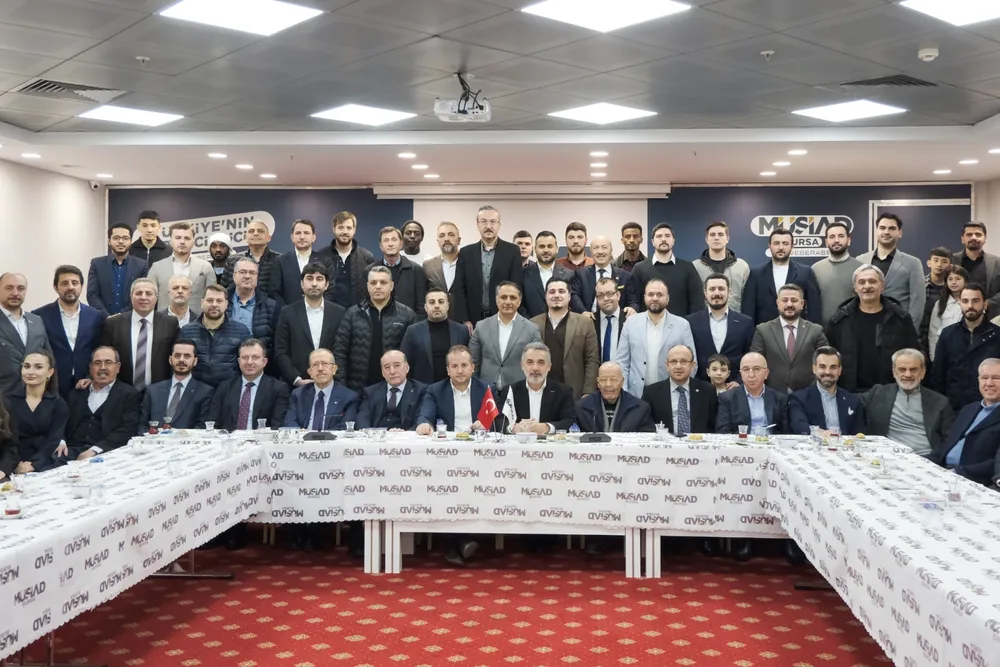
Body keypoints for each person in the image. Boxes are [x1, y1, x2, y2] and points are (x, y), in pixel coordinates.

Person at [825, 264, 919, 392]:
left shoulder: (901, 318)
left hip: (890, 391)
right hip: (850, 391)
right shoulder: (839, 320)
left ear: (882, 286)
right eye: (861, 282)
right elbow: (830, 357)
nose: (867, 286)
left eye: (872, 281)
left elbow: (914, 354)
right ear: (855, 288)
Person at [333, 266, 417, 392]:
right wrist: (342, 386)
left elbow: (415, 355)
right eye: (373, 283)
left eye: (383, 282)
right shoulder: (352, 314)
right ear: (368, 286)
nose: (378, 286)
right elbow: (340, 352)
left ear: (391, 286)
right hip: (358, 388)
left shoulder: (407, 315)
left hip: (395, 388)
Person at [859, 348, 953, 457]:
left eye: (913, 370)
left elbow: (949, 439)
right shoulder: (878, 393)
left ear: (923, 372)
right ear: (894, 372)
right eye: (902, 369)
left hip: (925, 458)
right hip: (887, 457)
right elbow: (847, 401)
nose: (908, 374)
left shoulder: (939, 402)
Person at [615, 279, 696, 398]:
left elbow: (692, 364)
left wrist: (680, 392)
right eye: (650, 294)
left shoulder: (682, 325)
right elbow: (622, 362)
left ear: (668, 298)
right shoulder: (630, 323)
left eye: (659, 294)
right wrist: (625, 393)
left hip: (670, 395)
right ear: (644, 297)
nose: (655, 298)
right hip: (636, 394)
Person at [33, 265, 105, 398]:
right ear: (55, 287)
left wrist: (90, 376)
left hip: (86, 385)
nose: (70, 287)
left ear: (81, 286)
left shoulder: (95, 316)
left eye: (75, 283)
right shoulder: (39, 316)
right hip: (51, 386)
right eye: (64, 283)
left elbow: (98, 348)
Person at [451, 205, 525, 332]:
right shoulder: (466, 253)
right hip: (472, 321)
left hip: (503, 317)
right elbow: (459, 288)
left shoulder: (512, 251)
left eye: (493, 222)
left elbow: (516, 287)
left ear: (499, 225)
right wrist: (464, 319)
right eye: (484, 221)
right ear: (477, 225)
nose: (488, 226)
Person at [60, 346, 141, 460]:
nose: (103, 367)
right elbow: (61, 423)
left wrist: (95, 450)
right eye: (97, 363)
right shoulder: (77, 393)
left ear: (117, 367)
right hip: (69, 451)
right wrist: (61, 441)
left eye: (108, 362)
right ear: (90, 368)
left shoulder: (129, 394)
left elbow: (127, 430)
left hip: (107, 453)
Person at [274, 263, 347, 387]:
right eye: (309, 278)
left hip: (331, 384)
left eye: (319, 279)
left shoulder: (339, 312)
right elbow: (281, 351)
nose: (314, 283)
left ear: (327, 284)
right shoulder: (287, 312)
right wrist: (296, 379)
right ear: (302, 284)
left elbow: (342, 351)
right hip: (296, 386)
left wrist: (334, 378)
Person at [929, 284, 1000, 410]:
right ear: (960, 304)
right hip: (953, 407)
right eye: (965, 301)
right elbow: (938, 375)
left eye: (975, 301)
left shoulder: (997, 335)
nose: (970, 306)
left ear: (984, 304)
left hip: (989, 407)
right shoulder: (948, 334)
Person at [100, 279, 180, 391]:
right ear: (131, 297)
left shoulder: (170, 323)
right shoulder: (114, 323)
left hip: (159, 392)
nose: (143, 297)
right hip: (122, 391)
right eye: (138, 293)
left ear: (156, 298)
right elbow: (103, 356)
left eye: (149, 293)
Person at [932, 357, 1000, 487]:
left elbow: (995, 465)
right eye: (984, 378)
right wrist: (924, 460)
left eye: (996, 378)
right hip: (943, 471)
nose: (989, 383)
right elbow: (947, 444)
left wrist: (957, 472)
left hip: (971, 481)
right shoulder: (968, 409)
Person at [750, 284, 829, 395]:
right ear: (778, 303)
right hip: (772, 395)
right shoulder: (763, 330)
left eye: (794, 300)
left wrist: (813, 388)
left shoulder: (816, 330)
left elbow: (826, 362)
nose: (789, 304)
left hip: (808, 395)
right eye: (785, 300)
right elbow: (755, 364)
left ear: (802, 304)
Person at [530, 278, 598, 400]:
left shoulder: (585, 323)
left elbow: (592, 360)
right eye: (552, 292)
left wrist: (588, 392)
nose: (556, 295)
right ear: (546, 296)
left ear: (569, 296)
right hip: (540, 393)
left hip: (574, 394)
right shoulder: (533, 324)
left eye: (561, 291)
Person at [469, 282, 541, 390]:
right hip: (487, 391)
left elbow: (536, 363)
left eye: (513, 298)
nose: (508, 302)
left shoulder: (531, 329)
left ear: (519, 301)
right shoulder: (481, 327)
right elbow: (473, 362)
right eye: (503, 297)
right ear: (496, 299)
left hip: (518, 390)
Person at [4, 350, 67, 473]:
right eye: (26, 366)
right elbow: (6, 440)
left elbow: (54, 439)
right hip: (13, 461)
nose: (30, 372)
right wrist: (14, 464)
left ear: (50, 372)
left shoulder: (59, 404)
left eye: (38, 367)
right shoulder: (7, 401)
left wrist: (34, 464)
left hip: (45, 461)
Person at [742, 229, 822, 325]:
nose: (781, 247)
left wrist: (814, 332)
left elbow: (814, 309)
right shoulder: (756, 274)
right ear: (770, 246)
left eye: (785, 243)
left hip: (797, 331)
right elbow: (748, 309)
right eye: (776, 243)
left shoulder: (805, 273)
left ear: (792, 246)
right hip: (764, 331)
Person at [857, 213, 925, 325]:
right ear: (876, 231)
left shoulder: (913, 263)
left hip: (898, 327)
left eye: (892, 228)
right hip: (865, 324)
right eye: (882, 228)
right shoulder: (860, 260)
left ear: (900, 233)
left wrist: (909, 330)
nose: (886, 232)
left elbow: (917, 302)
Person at [686, 273, 754, 384]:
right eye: (712, 289)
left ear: (729, 292)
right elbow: (689, 357)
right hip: (701, 386)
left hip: (734, 387)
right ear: (705, 293)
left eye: (721, 289)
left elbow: (749, 356)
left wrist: (739, 381)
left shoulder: (745, 322)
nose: (717, 293)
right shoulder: (691, 322)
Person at [210, 338, 290, 431]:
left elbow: (277, 426)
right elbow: (212, 423)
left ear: (264, 362)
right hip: (229, 438)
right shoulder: (225, 387)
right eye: (245, 357)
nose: (249, 362)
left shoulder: (278, 389)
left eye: (255, 357)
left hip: (262, 439)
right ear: (239, 361)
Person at [180, 285, 251, 388]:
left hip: (229, 391)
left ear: (226, 304)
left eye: (219, 301)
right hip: (195, 391)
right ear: (202, 303)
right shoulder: (187, 331)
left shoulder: (241, 331)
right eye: (209, 300)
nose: (214, 304)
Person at [497, 343, 576, 433]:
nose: (535, 368)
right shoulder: (510, 391)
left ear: (549, 366)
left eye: (541, 362)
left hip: (550, 441)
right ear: (522, 365)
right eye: (530, 362)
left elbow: (569, 421)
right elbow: (500, 421)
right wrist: (514, 428)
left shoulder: (563, 392)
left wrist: (547, 427)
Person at [415, 345, 495, 435]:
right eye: (454, 366)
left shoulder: (487, 390)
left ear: (472, 367)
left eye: (464, 365)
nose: (460, 371)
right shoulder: (435, 391)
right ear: (448, 370)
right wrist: (424, 424)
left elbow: (496, 421)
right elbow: (425, 416)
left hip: (478, 441)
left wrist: (486, 424)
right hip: (448, 441)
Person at [138, 339, 214, 431]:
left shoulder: (205, 392)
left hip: (188, 440)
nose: (181, 360)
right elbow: (142, 425)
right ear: (170, 360)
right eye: (177, 355)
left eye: (187, 356)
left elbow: (202, 427)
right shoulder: (153, 390)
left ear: (195, 361)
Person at [641, 344, 717, 435]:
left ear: (692, 365)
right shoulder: (652, 392)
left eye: (684, 361)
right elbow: (645, 426)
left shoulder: (707, 391)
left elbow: (713, 426)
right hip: (665, 442)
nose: (678, 366)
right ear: (667, 365)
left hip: (698, 442)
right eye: (673, 361)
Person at [787, 347, 865, 435]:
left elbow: (860, 435)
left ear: (839, 371)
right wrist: (819, 433)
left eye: (833, 367)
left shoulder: (853, 401)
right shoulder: (799, 399)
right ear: (814, 369)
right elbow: (798, 426)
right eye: (822, 367)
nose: (827, 372)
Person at [628, 223, 703, 316]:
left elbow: (697, 303)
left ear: (673, 240)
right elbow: (634, 301)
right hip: (648, 324)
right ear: (652, 242)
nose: (663, 239)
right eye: (659, 236)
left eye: (667, 236)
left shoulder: (687, 268)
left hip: (681, 324)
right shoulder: (640, 269)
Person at [399, 290, 470, 385]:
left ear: (447, 306)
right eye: (432, 302)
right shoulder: (413, 331)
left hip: (454, 387)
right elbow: (404, 362)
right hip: (423, 388)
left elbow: (469, 362)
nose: (436, 306)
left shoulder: (462, 331)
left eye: (441, 302)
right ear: (425, 307)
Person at [146, 222, 216, 315]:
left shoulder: (206, 267)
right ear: (170, 241)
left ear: (193, 242)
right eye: (178, 238)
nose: (182, 241)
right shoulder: (157, 267)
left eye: (187, 238)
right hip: (164, 321)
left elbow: (213, 298)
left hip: (196, 321)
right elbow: (148, 298)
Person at [0, 272, 52, 397]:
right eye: (9, 288)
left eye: (20, 288)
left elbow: (49, 359)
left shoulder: (36, 320)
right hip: (3, 398)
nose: (15, 293)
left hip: (35, 398)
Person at [284, 348, 359, 430]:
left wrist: (322, 436)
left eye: (325, 363)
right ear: (310, 372)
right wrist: (299, 433)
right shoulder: (298, 395)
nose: (320, 368)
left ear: (334, 369)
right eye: (315, 365)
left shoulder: (349, 397)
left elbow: (345, 426)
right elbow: (290, 422)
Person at [716, 352, 787, 434]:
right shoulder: (727, 398)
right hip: (741, 441)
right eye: (746, 369)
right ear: (741, 374)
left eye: (756, 369)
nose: (751, 375)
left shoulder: (779, 399)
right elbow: (723, 432)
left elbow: (786, 434)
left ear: (766, 373)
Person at [269, 219, 335, 307]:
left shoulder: (325, 260)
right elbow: (274, 292)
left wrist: (318, 309)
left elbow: (330, 289)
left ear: (313, 237)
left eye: (306, 233)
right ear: (292, 237)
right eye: (298, 233)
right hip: (288, 313)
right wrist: (287, 311)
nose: (302, 237)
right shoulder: (280, 261)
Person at [317, 211, 376, 309]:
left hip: (358, 314)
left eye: (349, 228)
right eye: (340, 227)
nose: (345, 232)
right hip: (329, 314)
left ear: (354, 230)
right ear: (334, 229)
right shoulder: (321, 256)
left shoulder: (367, 257)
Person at [575, 361, 655, 433]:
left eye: (613, 380)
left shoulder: (640, 409)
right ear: (598, 383)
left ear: (622, 382)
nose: (608, 384)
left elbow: (648, 439)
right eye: (603, 380)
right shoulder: (581, 408)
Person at [88, 222, 148, 316]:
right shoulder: (97, 264)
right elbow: (92, 294)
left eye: (125, 238)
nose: (120, 241)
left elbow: (142, 295)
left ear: (131, 241)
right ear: (109, 241)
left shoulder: (141, 265)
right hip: (102, 319)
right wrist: (106, 316)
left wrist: (122, 316)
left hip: (130, 318)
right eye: (116, 238)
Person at [356, 350, 426, 430]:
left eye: (397, 365)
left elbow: (422, 421)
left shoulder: (420, 391)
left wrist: (405, 434)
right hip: (377, 436)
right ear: (382, 372)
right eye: (387, 367)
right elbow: (362, 421)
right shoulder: (370, 392)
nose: (392, 371)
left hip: (406, 436)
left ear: (407, 368)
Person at [570, 235, 638, 316]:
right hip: (589, 319)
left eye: (604, 247)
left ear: (611, 251)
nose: (600, 252)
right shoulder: (581, 274)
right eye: (596, 248)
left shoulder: (625, 276)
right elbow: (574, 296)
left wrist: (632, 308)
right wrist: (583, 312)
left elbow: (633, 302)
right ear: (591, 252)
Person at [366, 226, 427, 317]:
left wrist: (416, 325)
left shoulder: (416, 270)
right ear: (381, 246)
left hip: (409, 323)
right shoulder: (369, 271)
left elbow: (421, 307)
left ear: (401, 244)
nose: (390, 244)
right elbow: (364, 304)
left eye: (394, 240)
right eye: (386, 240)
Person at [227, 258, 280, 361]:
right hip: (227, 363)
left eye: (252, 273)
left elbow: (276, 342)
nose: (247, 276)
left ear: (257, 278)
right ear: (234, 276)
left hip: (258, 364)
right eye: (243, 272)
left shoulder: (271, 306)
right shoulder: (221, 303)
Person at [811, 221, 862, 324]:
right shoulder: (815, 269)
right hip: (822, 330)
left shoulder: (861, 269)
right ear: (826, 242)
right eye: (832, 237)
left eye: (841, 236)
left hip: (852, 328)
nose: (836, 240)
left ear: (849, 240)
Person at [692, 221, 750, 312]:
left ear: (727, 239)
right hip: (705, 318)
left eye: (720, 234)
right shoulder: (695, 267)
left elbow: (748, 298)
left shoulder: (742, 266)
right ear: (707, 239)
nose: (716, 238)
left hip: (735, 318)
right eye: (712, 235)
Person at [523, 231, 576, 318]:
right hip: (530, 324)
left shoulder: (569, 274)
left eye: (550, 246)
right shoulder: (523, 274)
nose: (546, 250)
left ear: (557, 249)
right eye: (542, 246)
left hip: (562, 324)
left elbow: (573, 304)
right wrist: (529, 323)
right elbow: (519, 305)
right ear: (535, 249)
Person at [221, 219, 281, 296]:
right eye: (251, 231)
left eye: (260, 231)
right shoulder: (232, 260)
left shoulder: (280, 260)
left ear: (269, 238)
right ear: (245, 238)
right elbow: (224, 291)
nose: (255, 234)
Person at [953, 222, 1000, 304]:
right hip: (956, 310)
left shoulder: (997, 262)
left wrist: (988, 303)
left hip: (990, 310)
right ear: (962, 239)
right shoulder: (951, 261)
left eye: (978, 234)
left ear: (985, 238)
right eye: (969, 234)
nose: (973, 237)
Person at [928, 266, 968, 361]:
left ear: (965, 281)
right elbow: (933, 332)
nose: (954, 282)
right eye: (950, 279)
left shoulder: (971, 303)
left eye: (958, 279)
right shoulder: (940, 304)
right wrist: (933, 356)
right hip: (945, 351)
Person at [920, 247, 953, 359]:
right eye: (936, 260)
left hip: (943, 341)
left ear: (949, 266)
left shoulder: (952, 289)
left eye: (944, 261)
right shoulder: (919, 285)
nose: (939, 264)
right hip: (920, 338)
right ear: (929, 263)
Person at [594, 277, 627, 365]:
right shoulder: (590, 322)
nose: (605, 298)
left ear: (618, 295)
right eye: (600, 295)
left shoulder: (629, 320)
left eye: (609, 294)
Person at [423, 222, 460, 294]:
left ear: (459, 240)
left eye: (451, 235)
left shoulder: (469, 263)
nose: (446, 239)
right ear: (437, 242)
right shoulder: (428, 266)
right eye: (442, 236)